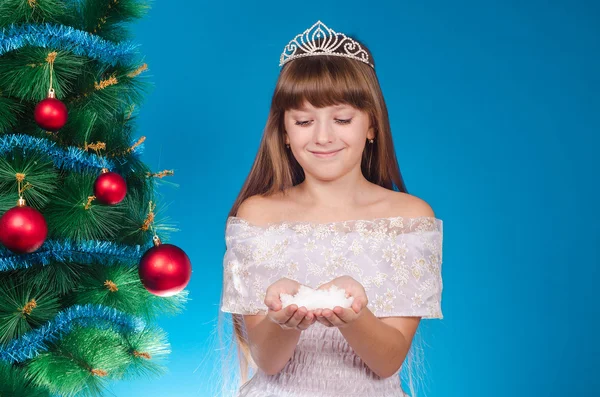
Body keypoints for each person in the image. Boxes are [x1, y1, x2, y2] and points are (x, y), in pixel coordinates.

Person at [218, 20, 444, 397]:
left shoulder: (409, 219)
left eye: (342, 119)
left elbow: (387, 361)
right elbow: (268, 360)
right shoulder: (257, 216)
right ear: (285, 133)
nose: (323, 137)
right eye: (304, 121)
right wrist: (283, 320)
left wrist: (354, 318)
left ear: (371, 125)